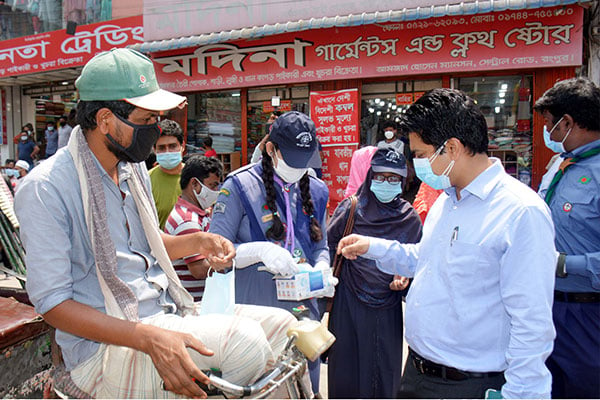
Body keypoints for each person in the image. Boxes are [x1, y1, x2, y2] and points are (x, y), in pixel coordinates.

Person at [15, 48, 300, 399]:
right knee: (246, 345)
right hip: (105, 348)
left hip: (163, 312)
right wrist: (146, 337)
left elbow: (147, 243)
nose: (156, 129)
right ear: (105, 119)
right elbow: (53, 304)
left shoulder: (130, 168)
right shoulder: (46, 188)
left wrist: (199, 241)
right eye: (147, 119)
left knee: (288, 329)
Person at [336, 88, 556, 399]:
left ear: (451, 148)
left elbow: (532, 322)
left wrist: (521, 393)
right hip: (418, 373)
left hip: (467, 384)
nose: (417, 165)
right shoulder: (447, 201)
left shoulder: (520, 212)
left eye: (422, 155)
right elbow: (426, 259)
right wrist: (373, 247)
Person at [209, 110, 330, 394]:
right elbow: (214, 253)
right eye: (291, 160)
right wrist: (257, 251)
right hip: (255, 314)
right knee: (260, 387)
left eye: (305, 160)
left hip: (303, 315)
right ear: (270, 149)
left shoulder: (317, 190)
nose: (298, 168)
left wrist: (322, 267)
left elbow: (321, 245)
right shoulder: (239, 187)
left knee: (303, 387)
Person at [327, 147, 422, 399]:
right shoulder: (351, 209)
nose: (386, 183)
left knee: (382, 373)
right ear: (370, 176)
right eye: (380, 176)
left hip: (386, 308)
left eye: (394, 178)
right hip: (348, 301)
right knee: (346, 372)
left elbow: (419, 261)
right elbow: (329, 246)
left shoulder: (409, 218)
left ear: (403, 181)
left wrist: (404, 277)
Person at [533, 77, 600, 399]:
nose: (548, 134)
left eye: (550, 125)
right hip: (545, 307)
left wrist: (564, 265)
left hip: (587, 315)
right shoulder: (559, 163)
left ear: (568, 123)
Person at [164, 155, 224, 302]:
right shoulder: (187, 220)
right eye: (213, 185)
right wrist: (229, 261)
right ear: (195, 184)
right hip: (194, 303)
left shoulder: (198, 215)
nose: (216, 191)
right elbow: (199, 269)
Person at [149, 119, 185, 229]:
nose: (167, 151)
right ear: (154, 149)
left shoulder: (196, 177)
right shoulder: (146, 180)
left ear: (182, 146)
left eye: (173, 146)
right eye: (162, 147)